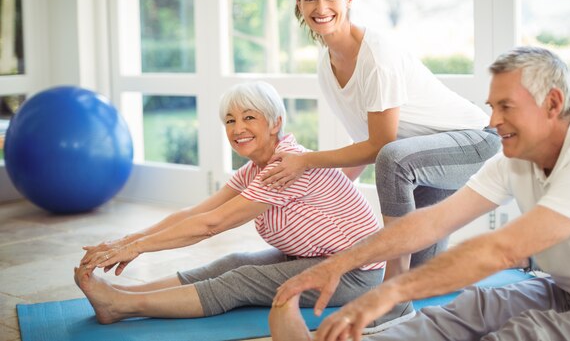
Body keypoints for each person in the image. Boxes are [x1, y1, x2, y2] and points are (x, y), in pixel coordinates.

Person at [269, 46, 570, 341]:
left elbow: (502, 250)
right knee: (471, 309)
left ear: (552, 103)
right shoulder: (517, 159)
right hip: (566, 290)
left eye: (506, 107)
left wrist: (391, 291)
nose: (492, 121)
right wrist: (338, 264)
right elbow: (433, 222)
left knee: (524, 335)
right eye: (492, 107)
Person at [261, 0, 501, 279]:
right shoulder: (326, 67)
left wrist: (305, 161)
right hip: (419, 156)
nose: (321, 8)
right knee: (421, 272)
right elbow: (364, 143)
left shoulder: (376, 56)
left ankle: (392, 288)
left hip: (471, 141)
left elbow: (380, 147)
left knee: (392, 163)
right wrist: (316, 197)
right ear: (299, 5)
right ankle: (501, 263)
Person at [74, 81, 389, 326]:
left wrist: (138, 248)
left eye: (249, 117)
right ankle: (122, 294)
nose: (237, 129)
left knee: (241, 281)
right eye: (230, 120)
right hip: (315, 257)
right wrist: (127, 241)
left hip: (353, 272)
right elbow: (198, 212)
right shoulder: (256, 168)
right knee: (234, 261)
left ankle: (121, 307)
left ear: (275, 123)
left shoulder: (285, 168)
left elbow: (212, 225)